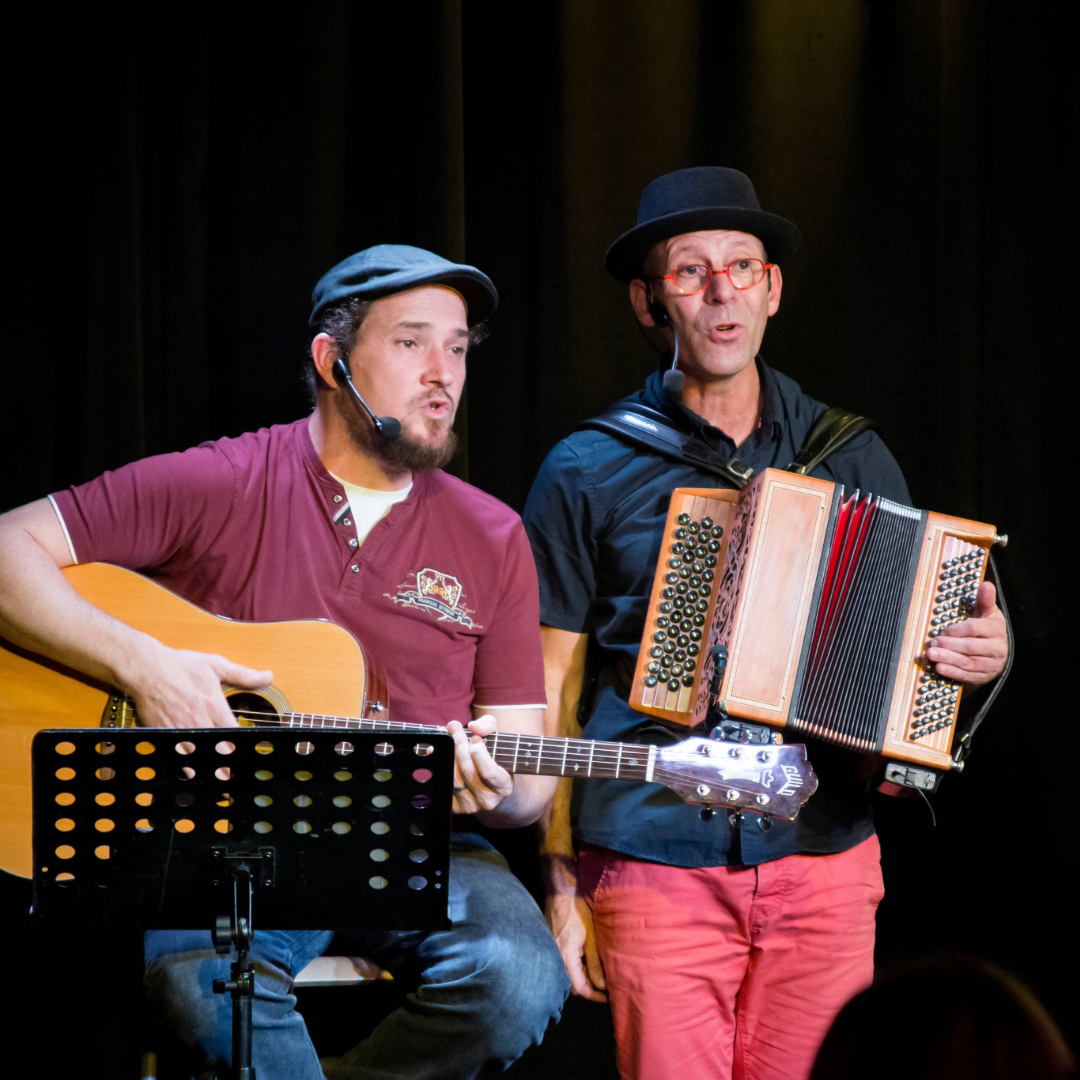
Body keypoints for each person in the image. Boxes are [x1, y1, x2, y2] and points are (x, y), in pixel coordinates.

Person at [0, 244, 570, 1079]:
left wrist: (495, 784)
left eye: (457, 347)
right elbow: (9, 547)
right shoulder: (225, 481)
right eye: (413, 342)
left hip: (421, 837)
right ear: (331, 359)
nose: (443, 373)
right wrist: (146, 667)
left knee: (517, 979)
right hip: (234, 835)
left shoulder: (493, 535)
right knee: (205, 990)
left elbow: (528, 785)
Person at [523, 168, 1009, 1080]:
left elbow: (926, 641)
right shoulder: (585, 467)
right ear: (646, 301)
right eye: (689, 272)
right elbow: (547, 686)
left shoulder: (850, 451)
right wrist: (556, 884)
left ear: (772, 289)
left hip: (823, 858)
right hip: (653, 856)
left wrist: (985, 653)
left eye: (742, 268)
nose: (720, 293)